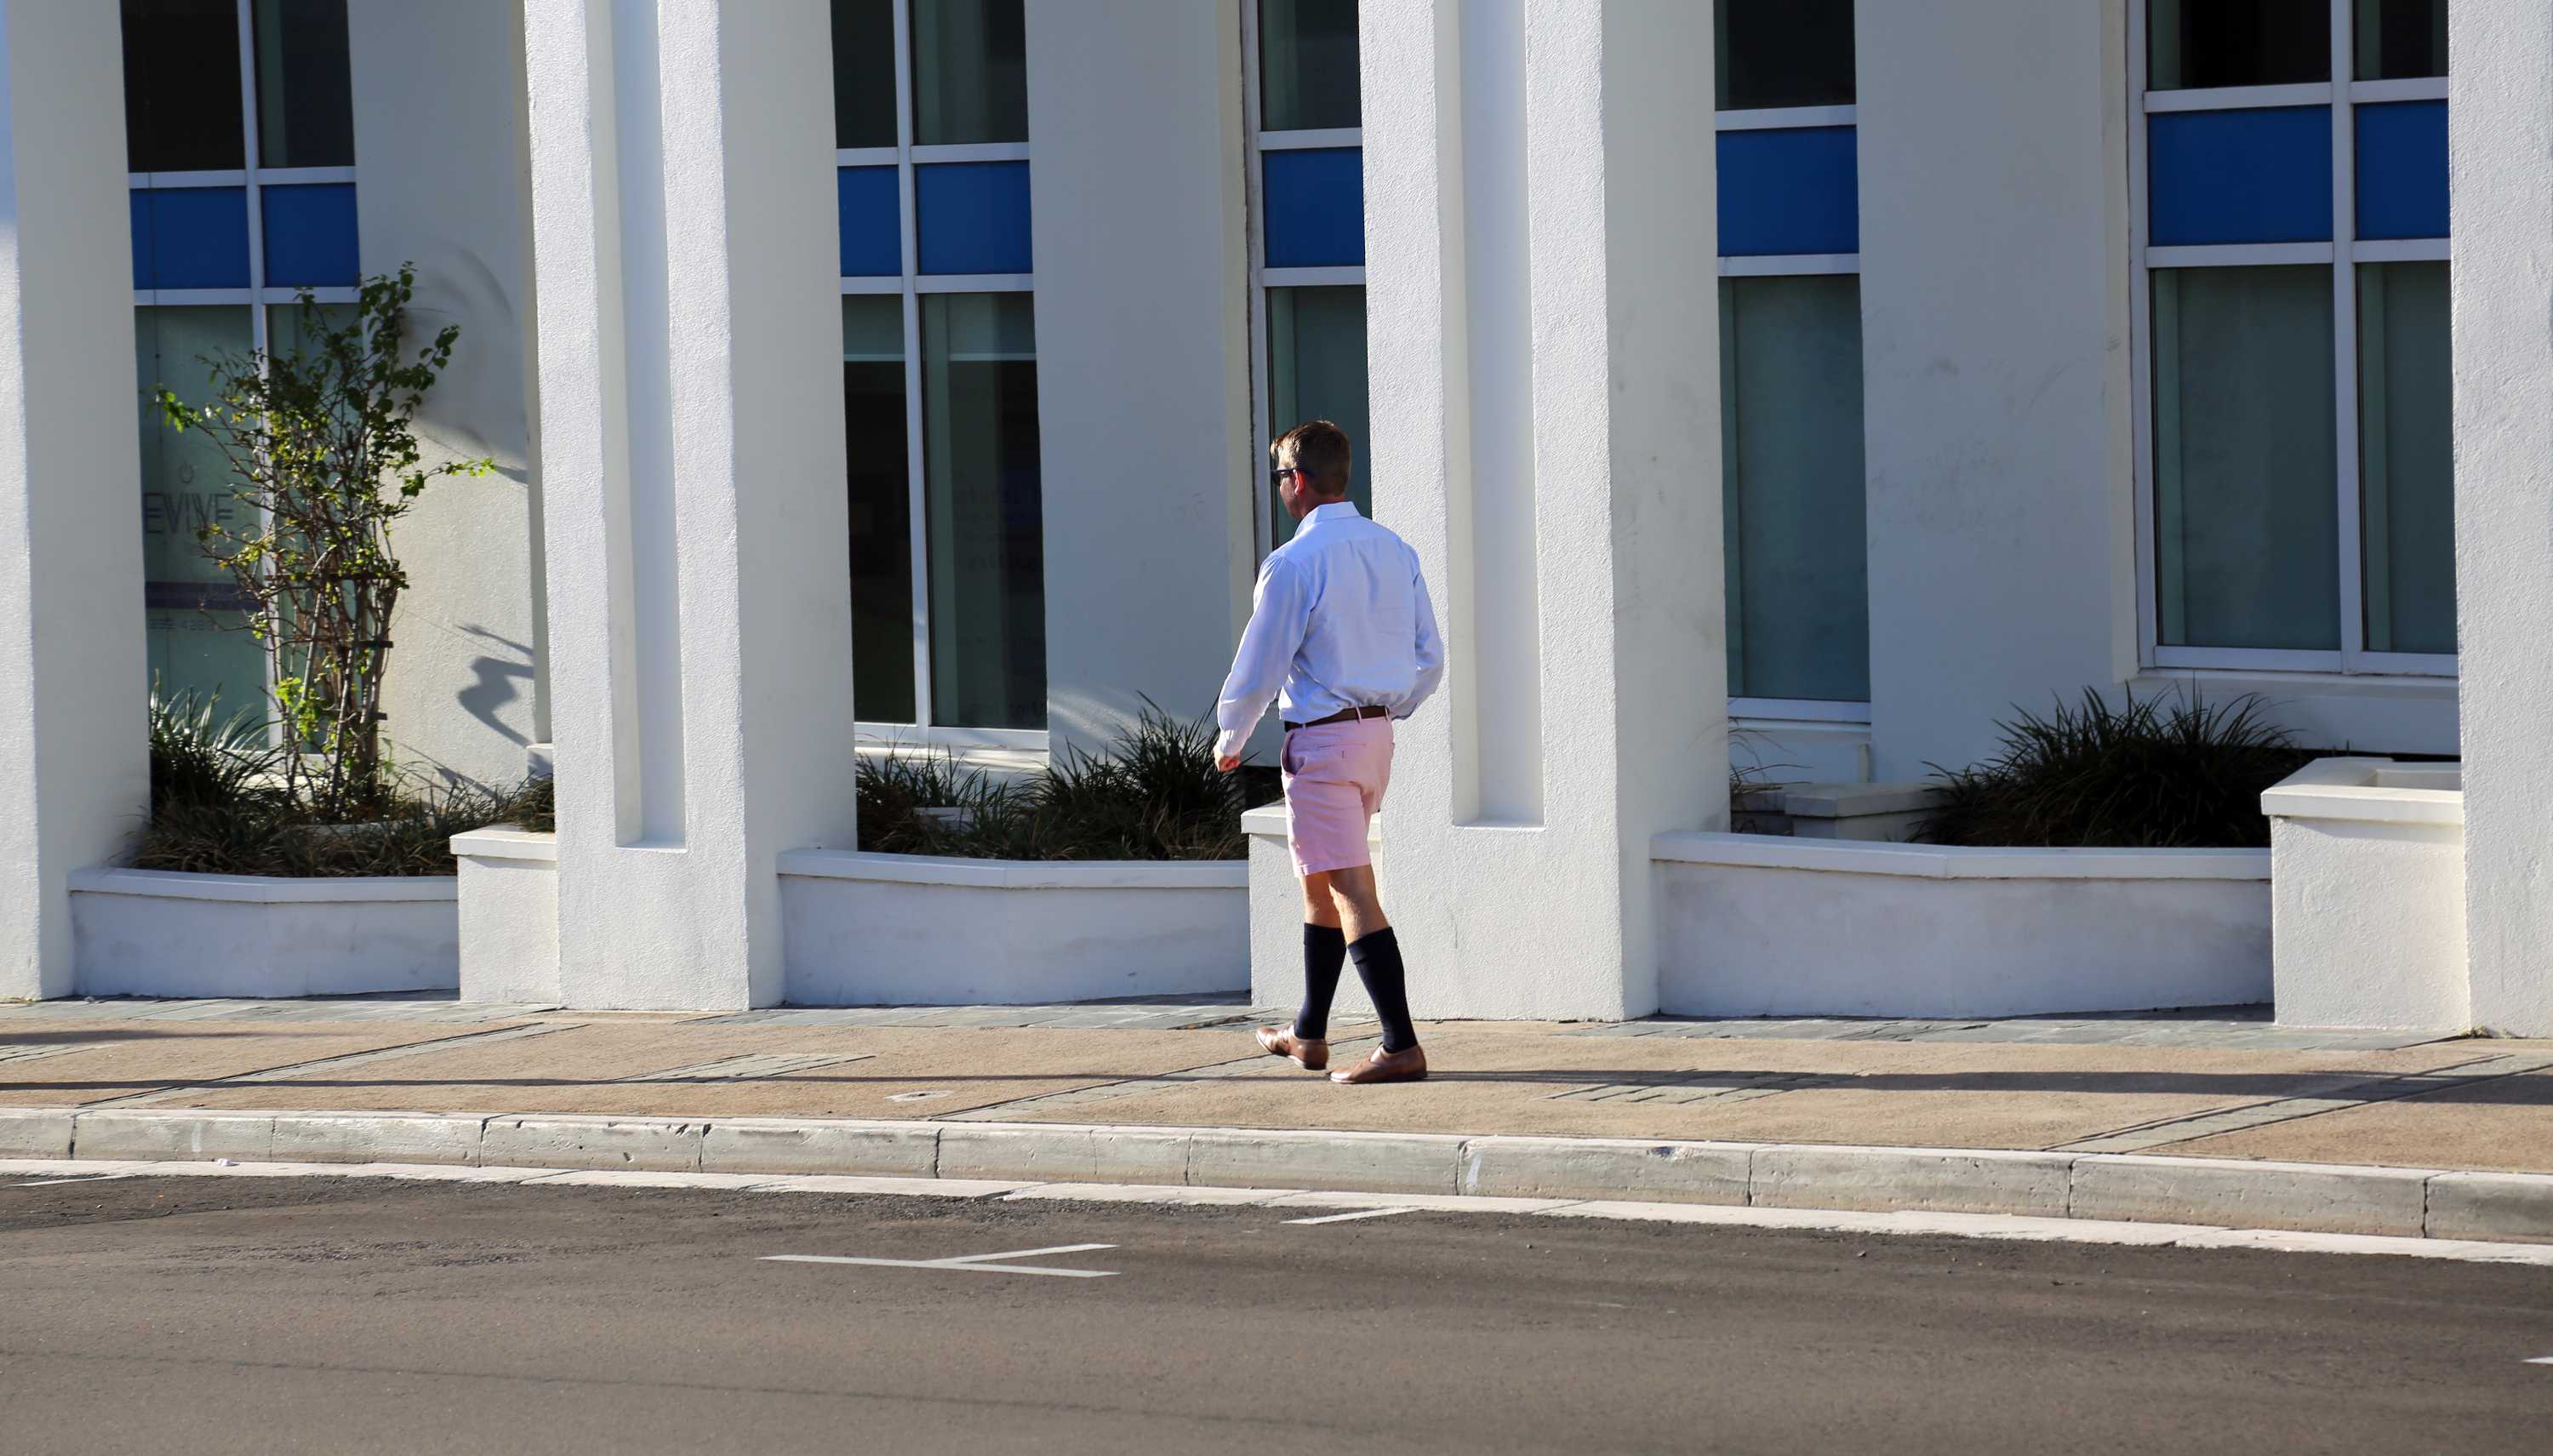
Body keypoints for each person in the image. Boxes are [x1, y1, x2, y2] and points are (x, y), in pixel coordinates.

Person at [1214, 420, 1443, 1085]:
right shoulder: (1393, 549)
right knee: (1321, 879)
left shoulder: (1294, 562)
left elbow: (1261, 662)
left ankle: (1400, 1044)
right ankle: (1309, 1032)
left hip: (1323, 742)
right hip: (1375, 740)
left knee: (1350, 888)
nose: (1281, 487)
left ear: (1300, 481)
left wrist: (1231, 736)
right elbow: (1430, 656)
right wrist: (1388, 708)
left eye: (1280, 476)